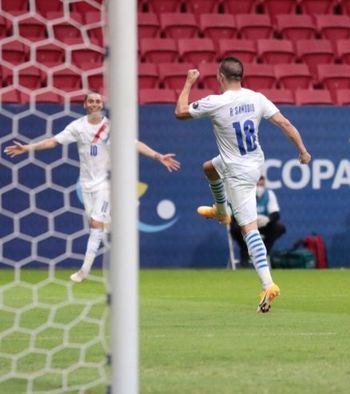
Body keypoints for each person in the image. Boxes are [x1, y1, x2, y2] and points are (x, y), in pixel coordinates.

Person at [174, 57, 311, 313]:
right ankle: (221, 210)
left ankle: (268, 285)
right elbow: (285, 123)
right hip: (251, 163)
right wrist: (302, 151)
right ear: (241, 76)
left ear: (220, 77)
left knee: (249, 230)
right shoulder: (257, 98)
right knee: (209, 167)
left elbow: (180, 112)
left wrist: (188, 82)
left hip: (238, 175)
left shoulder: (216, 102)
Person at [4, 92, 181, 283]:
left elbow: (135, 144)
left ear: (101, 105)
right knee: (97, 227)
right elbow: (53, 141)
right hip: (86, 184)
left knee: (96, 224)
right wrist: (27, 148)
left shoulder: (112, 128)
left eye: (98, 101)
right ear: (85, 105)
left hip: (105, 183)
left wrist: (158, 156)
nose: (95, 104)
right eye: (91, 101)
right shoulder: (78, 127)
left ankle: (84, 271)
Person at [230, 176, 286, 267]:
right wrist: (249, 220)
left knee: (279, 228)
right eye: (257, 184)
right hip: (245, 225)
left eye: (262, 185)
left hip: (262, 225)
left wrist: (267, 219)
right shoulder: (243, 195)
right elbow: (235, 215)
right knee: (235, 228)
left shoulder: (269, 194)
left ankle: (263, 252)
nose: (259, 187)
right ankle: (245, 256)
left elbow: (275, 214)